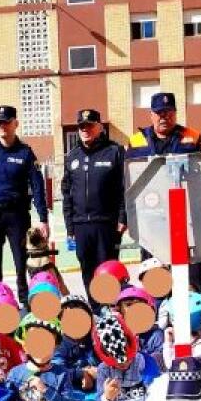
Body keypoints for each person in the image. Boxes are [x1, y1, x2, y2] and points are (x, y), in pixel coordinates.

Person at [126, 92, 201, 291]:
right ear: (151, 115)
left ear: (175, 113)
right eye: (159, 113)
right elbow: (127, 182)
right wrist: (128, 217)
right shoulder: (136, 141)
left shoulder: (192, 137)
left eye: (169, 112)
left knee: (191, 276)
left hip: (186, 218)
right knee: (154, 275)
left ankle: (194, 316)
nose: (164, 117)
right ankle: (159, 314)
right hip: (151, 217)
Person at [0, 105, 50, 302]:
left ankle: (25, 301)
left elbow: (37, 185)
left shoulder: (25, 153)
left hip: (17, 216)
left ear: (16, 123)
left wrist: (43, 218)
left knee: (22, 262)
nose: (3, 126)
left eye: (7, 122)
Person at [61, 109, 127, 295]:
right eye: (82, 126)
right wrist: (70, 227)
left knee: (108, 270)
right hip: (81, 224)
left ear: (99, 127)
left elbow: (124, 188)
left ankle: (111, 309)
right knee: (87, 269)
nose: (85, 130)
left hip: (107, 223)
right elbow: (67, 193)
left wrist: (123, 218)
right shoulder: (73, 156)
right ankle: (96, 310)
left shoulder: (114, 152)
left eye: (89, 126)